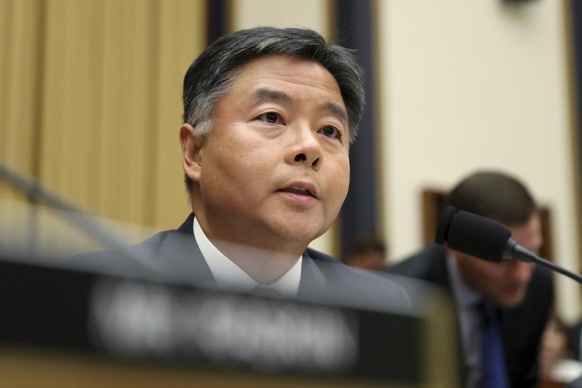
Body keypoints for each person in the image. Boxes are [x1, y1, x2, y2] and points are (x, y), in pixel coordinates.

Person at [70, 26, 410, 311]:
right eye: (272, 117)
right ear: (195, 153)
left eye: (329, 131)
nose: (310, 148)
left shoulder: (380, 308)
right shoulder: (99, 292)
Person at [384, 171, 554, 387]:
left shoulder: (538, 286)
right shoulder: (398, 298)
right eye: (503, 259)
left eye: (530, 254)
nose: (521, 275)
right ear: (453, 246)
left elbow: (525, 380)